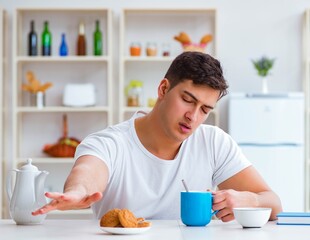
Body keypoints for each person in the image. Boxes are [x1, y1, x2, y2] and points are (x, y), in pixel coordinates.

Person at [33, 51, 282, 222]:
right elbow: (88, 173)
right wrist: (78, 192)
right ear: (163, 89)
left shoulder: (213, 142)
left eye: (205, 110)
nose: (193, 116)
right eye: (187, 100)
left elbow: (274, 203)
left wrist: (247, 199)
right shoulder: (110, 142)